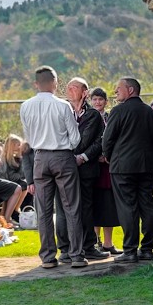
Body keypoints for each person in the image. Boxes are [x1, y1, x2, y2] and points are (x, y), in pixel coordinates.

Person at [20, 66, 85, 269]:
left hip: (40, 157)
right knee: (71, 207)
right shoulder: (63, 106)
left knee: (44, 210)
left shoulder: (26, 106)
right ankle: (75, 255)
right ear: (56, 83)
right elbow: (75, 139)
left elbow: (29, 138)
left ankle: (48, 257)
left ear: (36, 84)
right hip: (63, 157)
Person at [102, 77, 153, 262]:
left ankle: (129, 250)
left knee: (127, 207)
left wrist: (110, 156)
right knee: (147, 204)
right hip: (145, 165)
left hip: (122, 166)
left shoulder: (118, 111)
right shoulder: (150, 112)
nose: (115, 91)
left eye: (118, 88)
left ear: (130, 90)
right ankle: (147, 248)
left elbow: (107, 139)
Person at [56, 77, 108, 261]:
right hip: (63, 166)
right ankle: (66, 249)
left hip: (85, 168)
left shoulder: (93, 115)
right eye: (68, 87)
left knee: (86, 207)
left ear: (84, 92)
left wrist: (83, 157)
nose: (70, 90)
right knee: (63, 208)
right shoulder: (61, 110)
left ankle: (88, 246)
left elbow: (97, 141)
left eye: (74, 87)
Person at [88, 87, 120, 254]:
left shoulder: (110, 117)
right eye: (95, 99)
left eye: (101, 99)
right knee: (94, 205)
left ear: (106, 102)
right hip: (92, 167)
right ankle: (95, 241)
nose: (98, 102)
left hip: (108, 167)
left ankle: (108, 242)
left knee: (108, 205)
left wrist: (107, 155)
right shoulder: (86, 117)